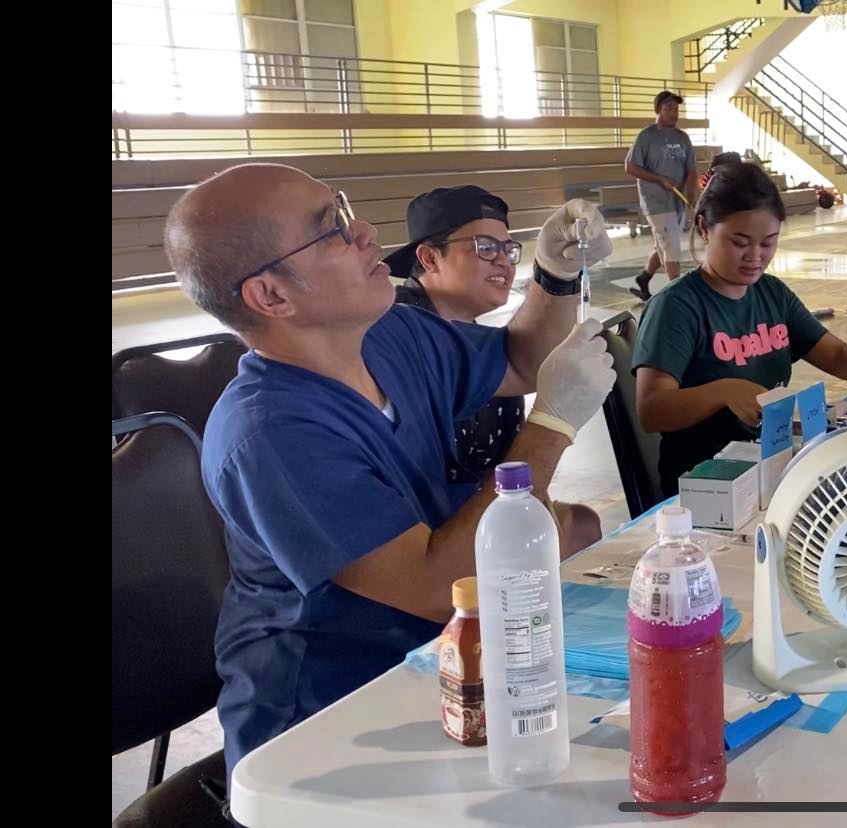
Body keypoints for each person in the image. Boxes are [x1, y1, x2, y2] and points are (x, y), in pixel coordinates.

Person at [163, 163, 615, 782]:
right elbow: (439, 590)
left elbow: (521, 360)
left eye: (347, 212)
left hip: (446, 669)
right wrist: (552, 427)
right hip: (334, 724)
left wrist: (557, 278)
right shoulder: (272, 434)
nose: (367, 232)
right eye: (333, 231)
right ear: (271, 295)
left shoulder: (391, 335)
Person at [632, 160, 847, 493]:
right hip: (707, 485)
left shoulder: (772, 294)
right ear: (704, 229)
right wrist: (722, 391)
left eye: (768, 243)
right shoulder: (677, 307)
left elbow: (837, 355)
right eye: (740, 242)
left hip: (771, 467)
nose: (755, 256)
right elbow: (651, 410)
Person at [383, 186, 614, 556]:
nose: (504, 262)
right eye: (485, 248)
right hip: (425, 539)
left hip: (484, 511)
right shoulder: (398, 337)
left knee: (581, 525)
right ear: (428, 257)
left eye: (508, 249)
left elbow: (523, 357)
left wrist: (557, 271)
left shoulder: (472, 342)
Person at [625, 90, 698, 299]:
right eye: (668, 109)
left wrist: (691, 193)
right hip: (656, 201)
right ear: (658, 110)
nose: (673, 113)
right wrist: (660, 179)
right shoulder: (647, 136)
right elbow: (630, 166)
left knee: (663, 244)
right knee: (672, 246)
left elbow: (691, 169)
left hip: (678, 201)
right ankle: (677, 296)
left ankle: (645, 277)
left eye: (676, 109)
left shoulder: (683, 138)